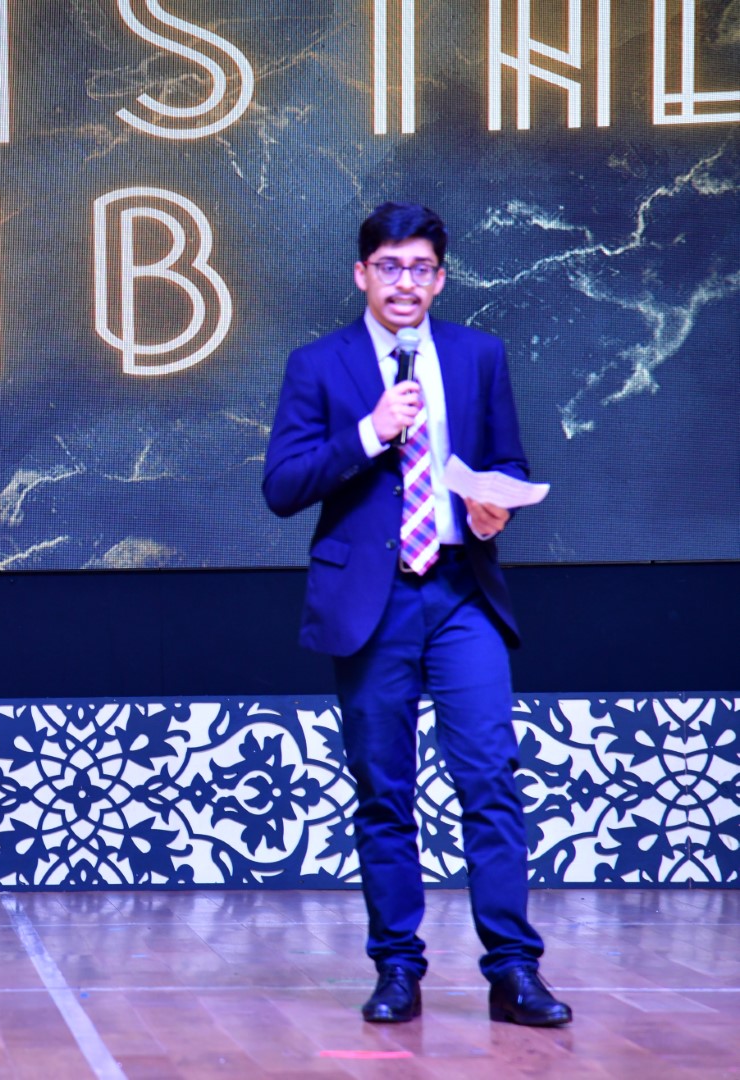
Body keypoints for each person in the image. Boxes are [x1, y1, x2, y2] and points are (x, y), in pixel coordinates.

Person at [262, 202, 570, 1027]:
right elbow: (282, 487)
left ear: (441, 278)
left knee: (490, 777)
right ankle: (397, 968)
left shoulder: (478, 355)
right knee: (384, 790)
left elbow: (506, 460)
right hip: (376, 601)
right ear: (362, 274)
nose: (406, 283)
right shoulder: (318, 365)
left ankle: (514, 971)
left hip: (462, 590)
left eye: (421, 268)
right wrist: (369, 432)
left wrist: (495, 509)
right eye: (390, 267)